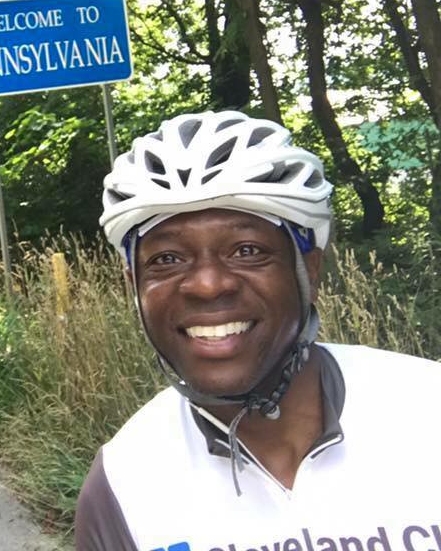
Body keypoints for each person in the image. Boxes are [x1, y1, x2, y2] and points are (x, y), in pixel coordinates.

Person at [75, 110, 441, 551]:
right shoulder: (125, 484)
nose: (208, 286)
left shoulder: (428, 411)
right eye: (166, 259)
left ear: (309, 270)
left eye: (247, 250)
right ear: (135, 286)